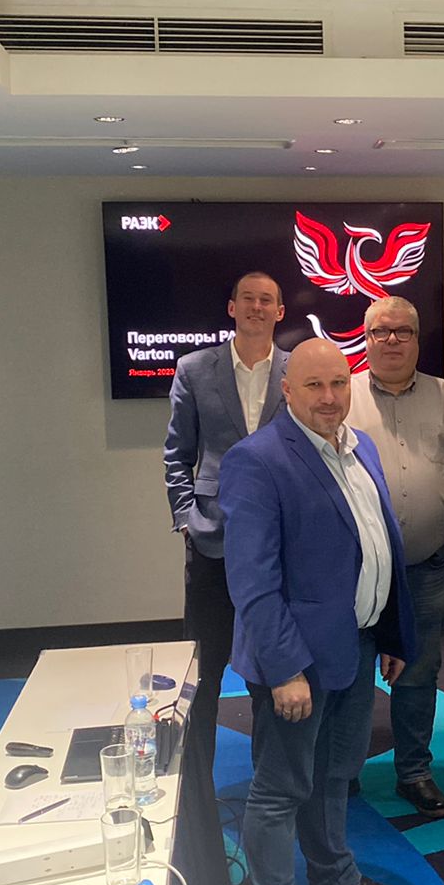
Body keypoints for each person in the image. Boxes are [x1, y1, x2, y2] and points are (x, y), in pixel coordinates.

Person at [220, 338, 419, 885]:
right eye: (314, 385)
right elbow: (253, 581)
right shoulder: (257, 460)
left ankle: (334, 879)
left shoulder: (359, 449)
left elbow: (377, 547)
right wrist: (284, 669)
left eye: (339, 383)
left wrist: (390, 635)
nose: (330, 397)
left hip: (355, 646)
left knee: (335, 775)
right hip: (297, 662)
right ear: (287, 390)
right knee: (280, 789)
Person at [345, 296, 444, 818]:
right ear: (366, 339)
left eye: (402, 331)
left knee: (420, 672)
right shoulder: (343, 396)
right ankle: (343, 772)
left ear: (417, 339)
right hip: (358, 570)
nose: (391, 340)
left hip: (425, 566)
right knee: (351, 672)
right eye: (380, 331)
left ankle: (414, 772)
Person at [163, 271, 289, 753]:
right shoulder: (195, 369)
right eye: (248, 299)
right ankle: (197, 783)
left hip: (279, 542)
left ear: (280, 312)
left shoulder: (296, 370)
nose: (257, 307)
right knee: (204, 672)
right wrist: (185, 519)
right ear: (232, 308)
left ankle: (272, 778)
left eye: (267, 300)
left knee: (273, 669)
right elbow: (177, 453)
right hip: (212, 536)